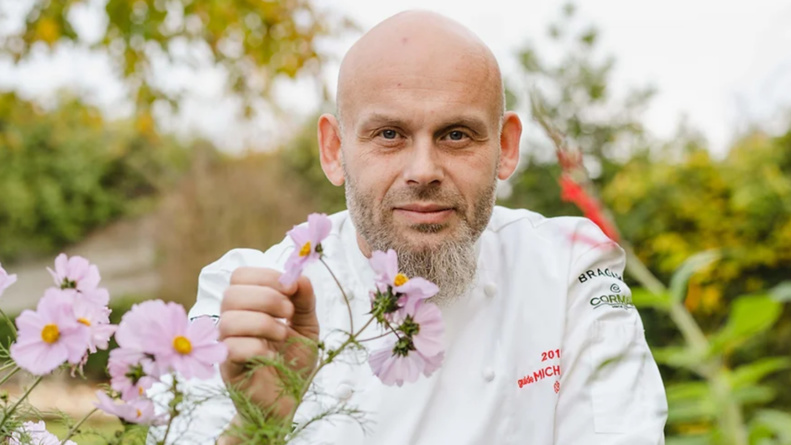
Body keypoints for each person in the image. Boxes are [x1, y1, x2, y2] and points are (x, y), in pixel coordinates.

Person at [167, 10, 668, 445]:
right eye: (389, 134)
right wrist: (256, 425)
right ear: (334, 150)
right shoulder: (249, 294)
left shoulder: (570, 271)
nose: (423, 169)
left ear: (506, 147)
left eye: (456, 134)